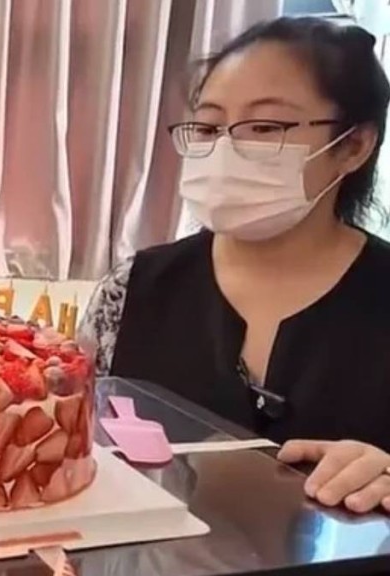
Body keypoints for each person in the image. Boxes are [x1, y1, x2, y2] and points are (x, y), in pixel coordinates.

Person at [80, 17, 390, 514]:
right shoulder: (131, 290)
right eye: (207, 127)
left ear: (353, 146)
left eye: (264, 127)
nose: (225, 149)